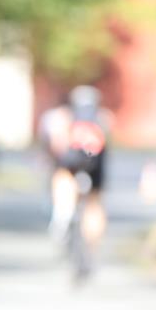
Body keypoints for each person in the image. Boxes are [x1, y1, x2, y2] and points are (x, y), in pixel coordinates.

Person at [38, 85, 110, 274]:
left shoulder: (64, 116)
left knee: (61, 177)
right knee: (94, 204)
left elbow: (55, 143)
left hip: (71, 161)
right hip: (95, 164)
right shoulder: (102, 119)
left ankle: (62, 216)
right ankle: (92, 250)